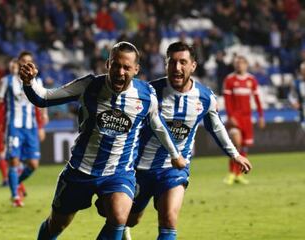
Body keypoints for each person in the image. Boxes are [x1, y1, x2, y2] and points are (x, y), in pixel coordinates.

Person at [19, 41, 186, 240]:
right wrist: (29, 82)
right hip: (80, 170)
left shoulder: (146, 95)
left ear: (136, 69)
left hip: (118, 172)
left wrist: (175, 154)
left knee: (119, 216)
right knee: (57, 224)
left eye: (126, 67)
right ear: (108, 64)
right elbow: (44, 97)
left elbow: (158, 125)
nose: (120, 71)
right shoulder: (89, 86)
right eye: (116, 65)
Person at [97, 41, 252, 240]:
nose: (177, 68)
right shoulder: (149, 92)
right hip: (138, 169)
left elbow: (216, 126)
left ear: (193, 66)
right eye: (172, 62)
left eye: (183, 62)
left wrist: (234, 154)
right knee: (127, 219)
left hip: (174, 169)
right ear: (166, 64)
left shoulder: (205, 97)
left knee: (169, 219)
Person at [0, 52, 46, 207]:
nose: (27, 64)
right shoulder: (7, 81)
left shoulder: (38, 81)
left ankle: (15, 183)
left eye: (30, 61)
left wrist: (42, 123)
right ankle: (15, 196)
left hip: (31, 128)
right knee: (13, 161)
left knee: (33, 164)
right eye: (24, 61)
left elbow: (43, 101)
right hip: (13, 126)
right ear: (19, 63)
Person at [223, 55, 265, 185]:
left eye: (242, 63)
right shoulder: (230, 79)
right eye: (237, 63)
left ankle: (239, 175)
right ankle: (231, 173)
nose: (239, 65)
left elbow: (257, 99)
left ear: (246, 64)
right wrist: (230, 117)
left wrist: (261, 116)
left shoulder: (251, 80)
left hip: (247, 118)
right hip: (235, 118)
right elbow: (227, 101)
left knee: (245, 148)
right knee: (236, 144)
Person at [289, 61, 305, 132]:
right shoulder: (297, 82)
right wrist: (294, 102)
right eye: (303, 70)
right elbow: (291, 95)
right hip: (302, 110)